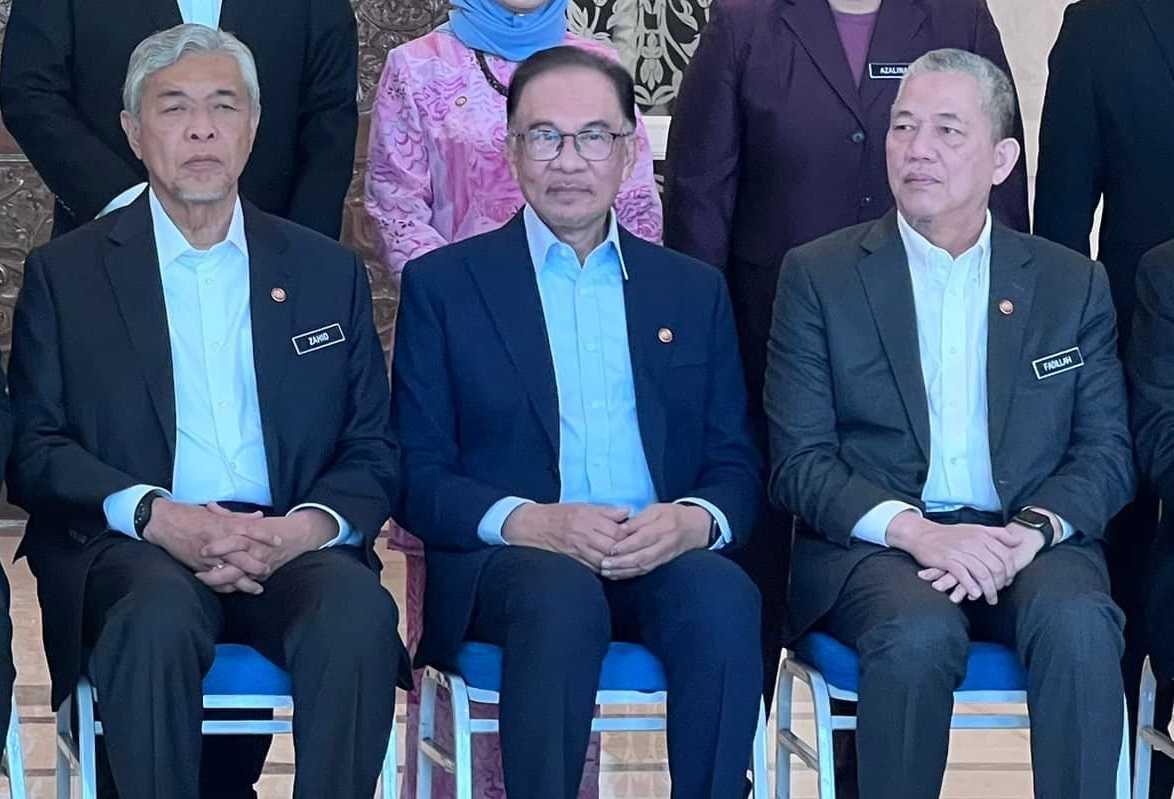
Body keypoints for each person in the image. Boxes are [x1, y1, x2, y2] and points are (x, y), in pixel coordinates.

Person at [5, 25, 410, 799]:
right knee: (153, 614)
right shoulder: (69, 275)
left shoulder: (324, 271)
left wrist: (300, 529)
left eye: (224, 106)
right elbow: (38, 446)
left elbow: (371, 448)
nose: (201, 129)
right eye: (174, 107)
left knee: (356, 612)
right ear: (132, 130)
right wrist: (157, 514)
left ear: (254, 128)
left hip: (287, 537)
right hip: (138, 542)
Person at [392, 45, 764, 798]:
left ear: (629, 151)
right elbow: (415, 475)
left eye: (594, 135)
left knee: (725, 595)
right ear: (511, 150)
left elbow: (737, 461)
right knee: (557, 593)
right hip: (516, 565)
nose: (570, 160)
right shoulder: (446, 287)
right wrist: (530, 521)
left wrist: (693, 520)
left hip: (657, 549)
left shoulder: (691, 291)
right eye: (544, 135)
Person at [767, 49, 1133, 799]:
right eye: (902, 126)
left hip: (1023, 537)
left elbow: (1105, 454)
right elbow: (800, 462)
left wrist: (1023, 535)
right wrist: (919, 532)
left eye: (945, 129)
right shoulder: (819, 276)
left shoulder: (1070, 283)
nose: (917, 149)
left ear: (1002, 159)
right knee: (917, 633)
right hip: (882, 548)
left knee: (1081, 624)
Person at [661, 0, 1029, 746]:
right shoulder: (744, 25)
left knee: (885, 584)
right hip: (768, 349)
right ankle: (738, 758)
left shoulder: (957, 17)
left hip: (916, 359)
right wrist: (706, 361)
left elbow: (1004, 202)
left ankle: (860, 767)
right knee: (754, 571)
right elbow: (698, 201)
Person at [1034, 5, 1174, 791]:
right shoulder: (1099, 24)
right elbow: (1058, 220)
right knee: (1117, 583)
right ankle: (1120, 777)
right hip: (1123, 354)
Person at [0, 0, 357, 239]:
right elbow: (29, 89)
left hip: (276, 242)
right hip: (105, 244)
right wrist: (124, 205)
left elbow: (330, 114)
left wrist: (305, 246)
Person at [364, 0, 662, 278]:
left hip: (591, 293)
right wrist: (455, 296)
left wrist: (618, 290)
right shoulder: (416, 67)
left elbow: (635, 202)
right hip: (466, 300)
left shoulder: (600, 66)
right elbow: (396, 207)